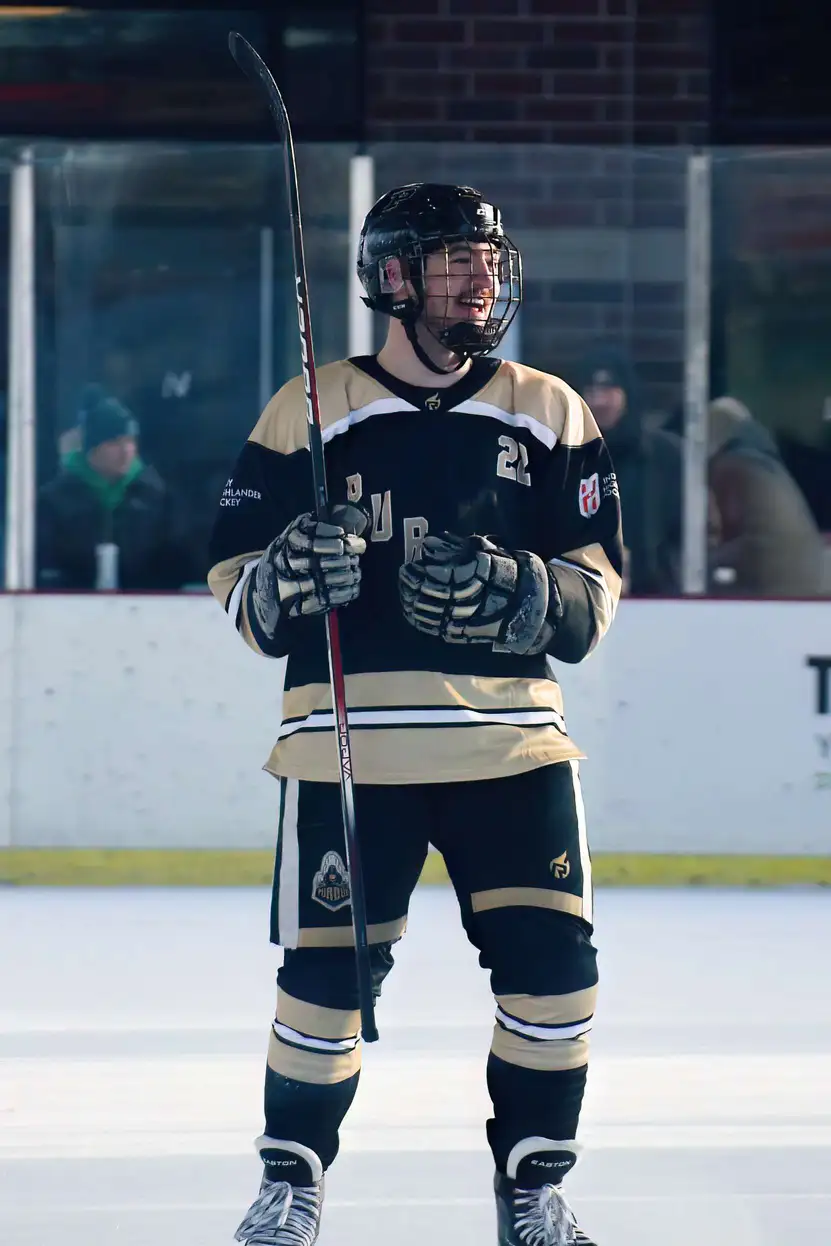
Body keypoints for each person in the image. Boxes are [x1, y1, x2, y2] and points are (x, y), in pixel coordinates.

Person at [208, 184, 623, 1246]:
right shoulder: (310, 404)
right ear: (392, 276)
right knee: (324, 980)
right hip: (346, 744)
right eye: (453, 261)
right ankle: (292, 1180)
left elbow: (594, 592)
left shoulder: (548, 408)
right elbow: (237, 582)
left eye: (489, 261)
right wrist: (283, 577)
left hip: (515, 745)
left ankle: (533, 1186)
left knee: (556, 974)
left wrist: (526, 589)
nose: (482, 279)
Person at [37, 384, 194, 591]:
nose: (126, 450)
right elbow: (43, 565)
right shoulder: (55, 500)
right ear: (92, 449)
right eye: (114, 442)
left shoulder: (157, 498)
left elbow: (179, 565)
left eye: (130, 441)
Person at [574, 344, 682, 596]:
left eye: (608, 389)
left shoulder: (664, 456)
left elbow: (696, 531)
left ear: (627, 393)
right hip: (586, 595)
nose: (599, 400)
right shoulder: (568, 457)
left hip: (659, 599)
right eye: (590, 390)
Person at [707, 396, 825, 597]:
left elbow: (726, 529)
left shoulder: (735, 468)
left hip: (775, 590)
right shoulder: (771, 471)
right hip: (809, 589)